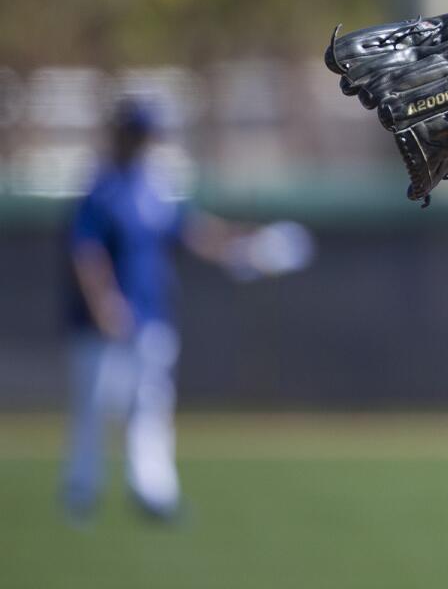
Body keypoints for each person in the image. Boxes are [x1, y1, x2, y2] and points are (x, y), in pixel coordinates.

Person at [61, 97, 312, 524]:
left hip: (151, 312)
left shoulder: (152, 187)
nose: (143, 141)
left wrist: (245, 248)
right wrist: (103, 301)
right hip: (104, 321)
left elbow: (192, 231)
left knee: (151, 405)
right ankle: (81, 493)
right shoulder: (102, 188)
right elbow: (86, 251)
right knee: (97, 407)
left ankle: (152, 492)